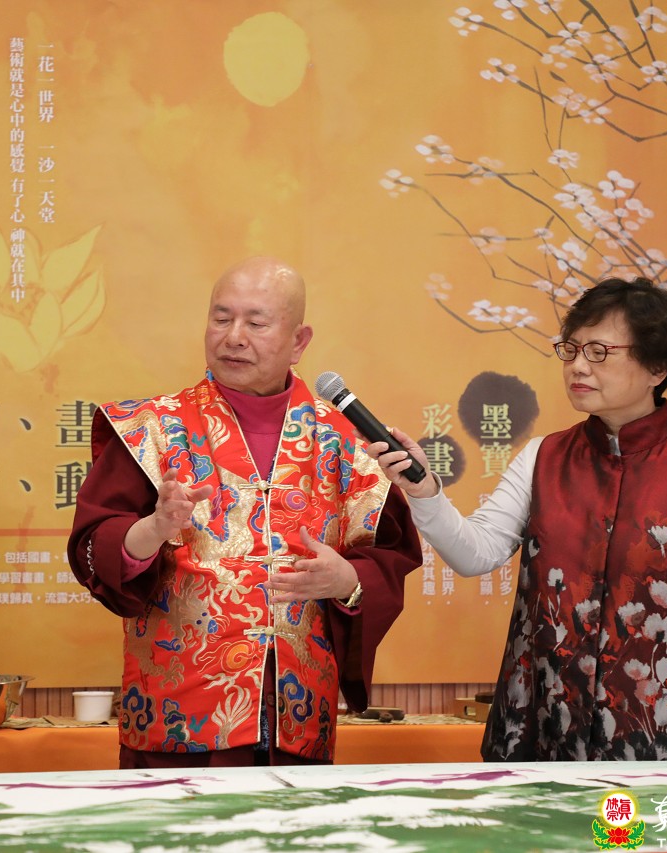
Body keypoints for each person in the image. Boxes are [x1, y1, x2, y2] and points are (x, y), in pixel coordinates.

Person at [370, 276, 667, 762]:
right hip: (542, 728)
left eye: (599, 352)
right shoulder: (543, 457)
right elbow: (476, 553)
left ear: (657, 367)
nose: (578, 366)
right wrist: (425, 490)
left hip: (658, 739)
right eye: (571, 349)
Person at [68, 256, 422, 768]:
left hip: (296, 721)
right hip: (176, 719)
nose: (233, 337)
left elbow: (389, 559)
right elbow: (94, 545)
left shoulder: (351, 444)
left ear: (299, 342)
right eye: (221, 318)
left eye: (256, 323)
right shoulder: (150, 429)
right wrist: (153, 528)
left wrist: (347, 579)